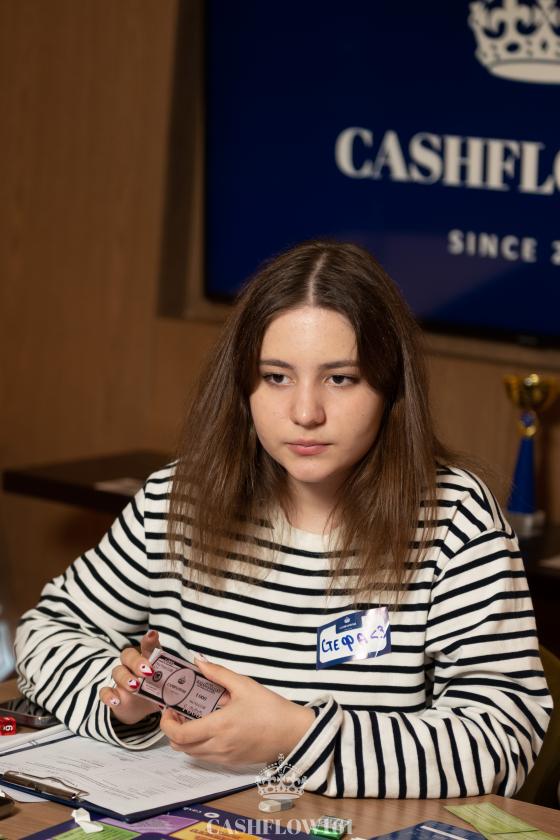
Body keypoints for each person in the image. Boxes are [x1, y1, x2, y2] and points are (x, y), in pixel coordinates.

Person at [15, 240, 551, 799]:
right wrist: (122, 702)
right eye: (276, 377)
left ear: (389, 385)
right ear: (243, 384)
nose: (305, 412)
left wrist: (295, 736)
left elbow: (503, 739)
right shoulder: (179, 498)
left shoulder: (455, 520)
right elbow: (46, 630)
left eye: (340, 378)